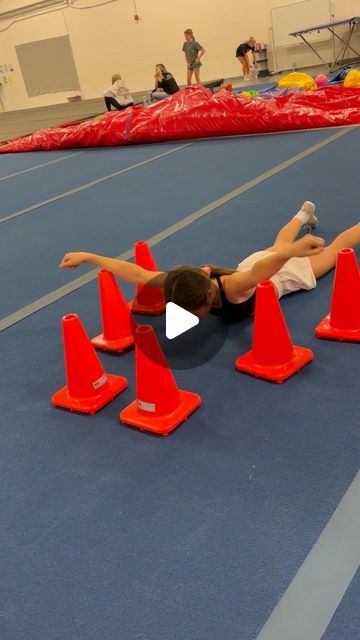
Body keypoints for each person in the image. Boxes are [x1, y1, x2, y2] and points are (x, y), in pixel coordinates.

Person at [59, 202, 360, 323]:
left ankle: (303, 218)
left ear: (207, 297)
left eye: (193, 312)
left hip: (282, 271)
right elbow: (137, 274)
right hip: (261, 264)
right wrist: (89, 257)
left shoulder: (234, 287)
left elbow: (259, 273)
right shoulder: (182, 284)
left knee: (336, 249)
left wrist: (292, 253)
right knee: (279, 244)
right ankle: (302, 215)